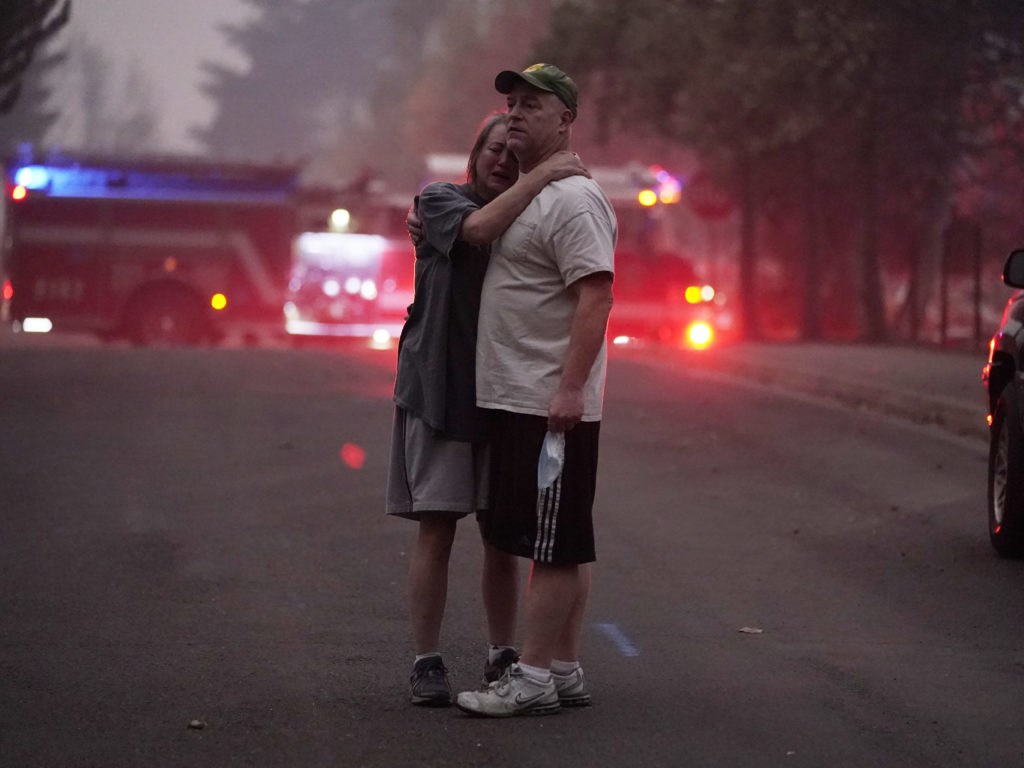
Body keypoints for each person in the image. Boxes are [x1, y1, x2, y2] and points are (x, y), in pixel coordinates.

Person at [386, 112, 588, 707]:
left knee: (501, 538)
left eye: (513, 152)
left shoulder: (528, 218)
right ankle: (427, 660)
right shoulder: (442, 201)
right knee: (438, 527)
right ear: (473, 156)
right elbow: (477, 230)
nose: (503, 159)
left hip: (506, 396)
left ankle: (503, 651)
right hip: (439, 393)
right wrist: (545, 171)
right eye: (493, 149)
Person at [454, 63, 616, 718]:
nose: (516, 114)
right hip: (513, 396)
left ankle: (536, 676)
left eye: (532, 105)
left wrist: (570, 389)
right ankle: (565, 668)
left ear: (565, 119)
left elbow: (597, 295)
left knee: (554, 543)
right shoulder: (534, 191)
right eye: (511, 103)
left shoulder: (575, 201)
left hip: (548, 401)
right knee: (548, 536)